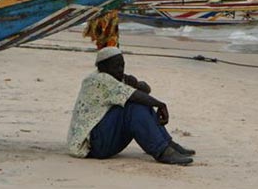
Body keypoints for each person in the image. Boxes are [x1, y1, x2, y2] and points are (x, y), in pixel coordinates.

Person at [67, 47, 195, 166]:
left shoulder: (115, 78)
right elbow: (135, 96)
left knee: (141, 102)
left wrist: (136, 83)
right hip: (92, 145)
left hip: (102, 140)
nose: (120, 69)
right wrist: (161, 105)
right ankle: (162, 151)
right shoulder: (100, 79)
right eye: (116, 66)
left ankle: (167, 144)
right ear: (102, 67)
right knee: (134, 106)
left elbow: (145, 91)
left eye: (122, 65)